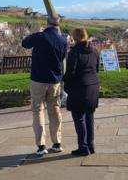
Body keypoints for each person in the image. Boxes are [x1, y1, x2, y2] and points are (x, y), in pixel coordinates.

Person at [22, 16, 67, 156]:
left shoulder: (40, 36)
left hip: (38, 79)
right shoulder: (63, 40)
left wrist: (37, 32)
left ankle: (41, 146)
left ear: (47, 24)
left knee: (38, 111)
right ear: (58, 25)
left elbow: (25, 43)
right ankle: (57, 142)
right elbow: (62, 58)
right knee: (54, 111)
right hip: (54, 80)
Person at [63, 28, 100, 156]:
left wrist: (65, 83)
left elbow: (70, 73)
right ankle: (91, 145)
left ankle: (83, 147)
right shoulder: (95, 50)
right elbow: (97, 68)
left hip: (79, 88)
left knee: (79, 117)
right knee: (89, 117)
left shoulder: (74, 52)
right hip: (93, 86)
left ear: (75, 37)